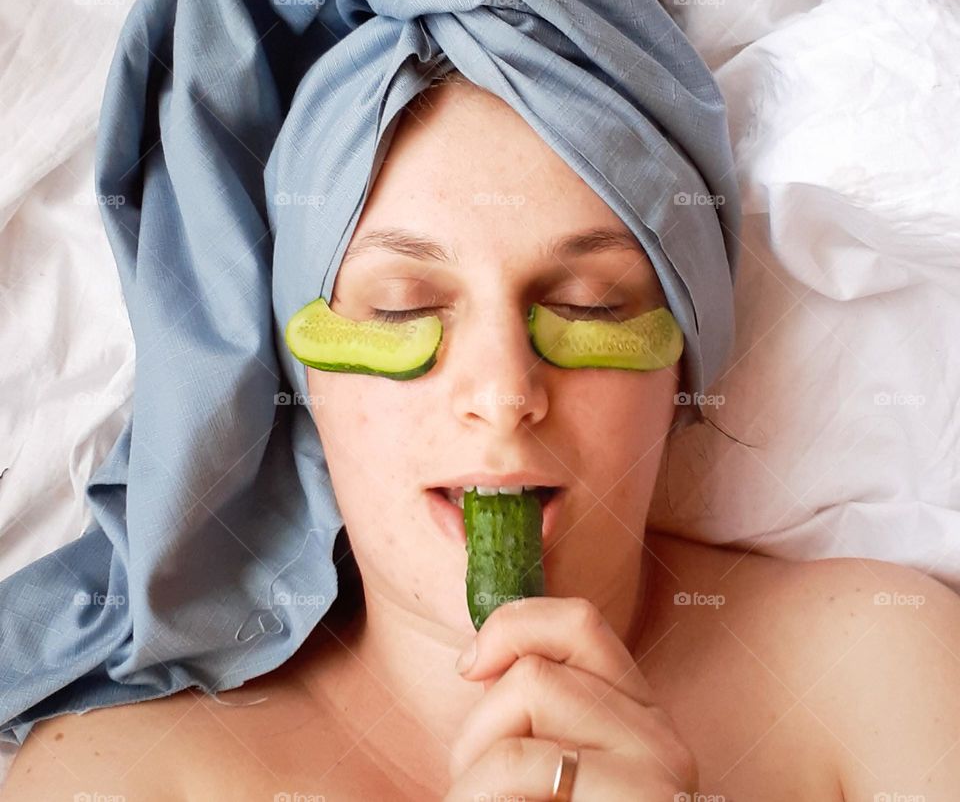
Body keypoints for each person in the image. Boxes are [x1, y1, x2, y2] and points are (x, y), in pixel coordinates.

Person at [5, 70, 960, 802]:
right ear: (307, 380)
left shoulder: (876, 665)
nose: (505, 393)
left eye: (589, 303)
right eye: (401, 305)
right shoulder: (113, 779)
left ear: (682, 367)